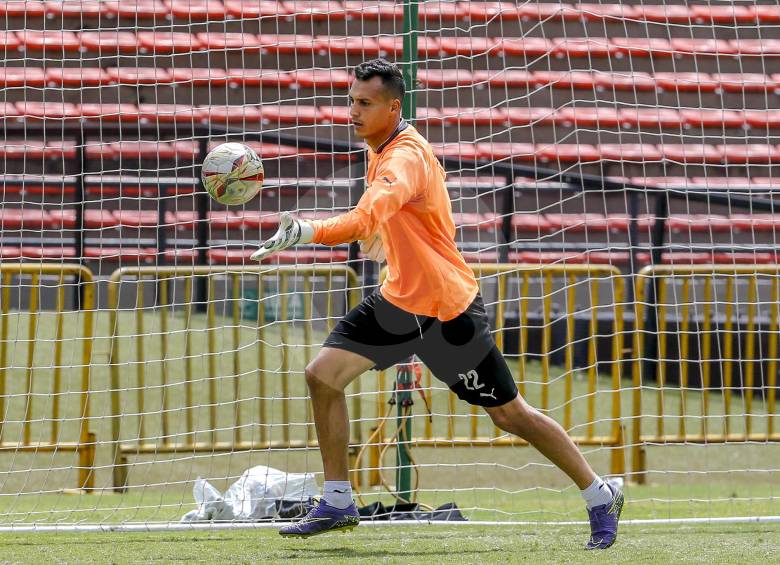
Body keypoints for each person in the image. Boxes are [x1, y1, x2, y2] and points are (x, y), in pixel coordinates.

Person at [252, 58, 623, 549]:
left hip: (446, 311)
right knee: (322, 375)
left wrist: (308, 231)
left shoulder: (403, 157)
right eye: (351, 101)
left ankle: (601, 495)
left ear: (393, 106)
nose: (353, 112)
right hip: (399, 299)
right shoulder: (380, 145)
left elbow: (367, 217)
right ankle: (339, 499)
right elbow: (390, 223)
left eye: (365, 104)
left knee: (511, 415)